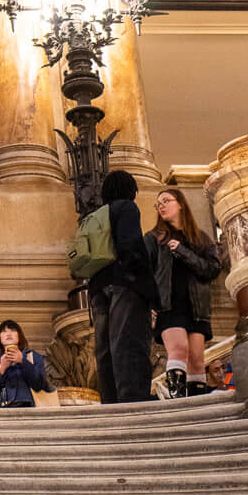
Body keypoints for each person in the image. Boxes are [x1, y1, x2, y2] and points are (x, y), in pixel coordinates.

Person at [88, 168, 159, 404]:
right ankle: (133, 400)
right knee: (127, 343)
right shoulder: (127, 208)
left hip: (98, 289)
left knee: (105, 348)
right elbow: (130, 246)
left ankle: (111, 402)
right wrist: (147, 288)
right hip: (124, 284)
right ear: (130, 190)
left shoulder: (95, 215)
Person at [145, 186, 224, 398]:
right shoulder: (154, 238)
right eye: (158, 203)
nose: (161, 206)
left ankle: (196, 408)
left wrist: (181, 251)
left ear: (180, 204)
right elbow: (145, 273)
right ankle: (177, 405)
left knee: (197, 361)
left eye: (166, 200)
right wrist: (150, 305)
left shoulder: (201, 238)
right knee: (178, 350)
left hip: (196, 307)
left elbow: (212, 269)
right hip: (168, 306)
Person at [0, 318, 48, 409]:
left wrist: (23, 361)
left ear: (19, 335)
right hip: (2, 411)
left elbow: (39, 385)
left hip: (30, 410)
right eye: (4, 331)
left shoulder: (34, 357)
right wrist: (1, 369)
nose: (8, 334)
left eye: (13, 330)